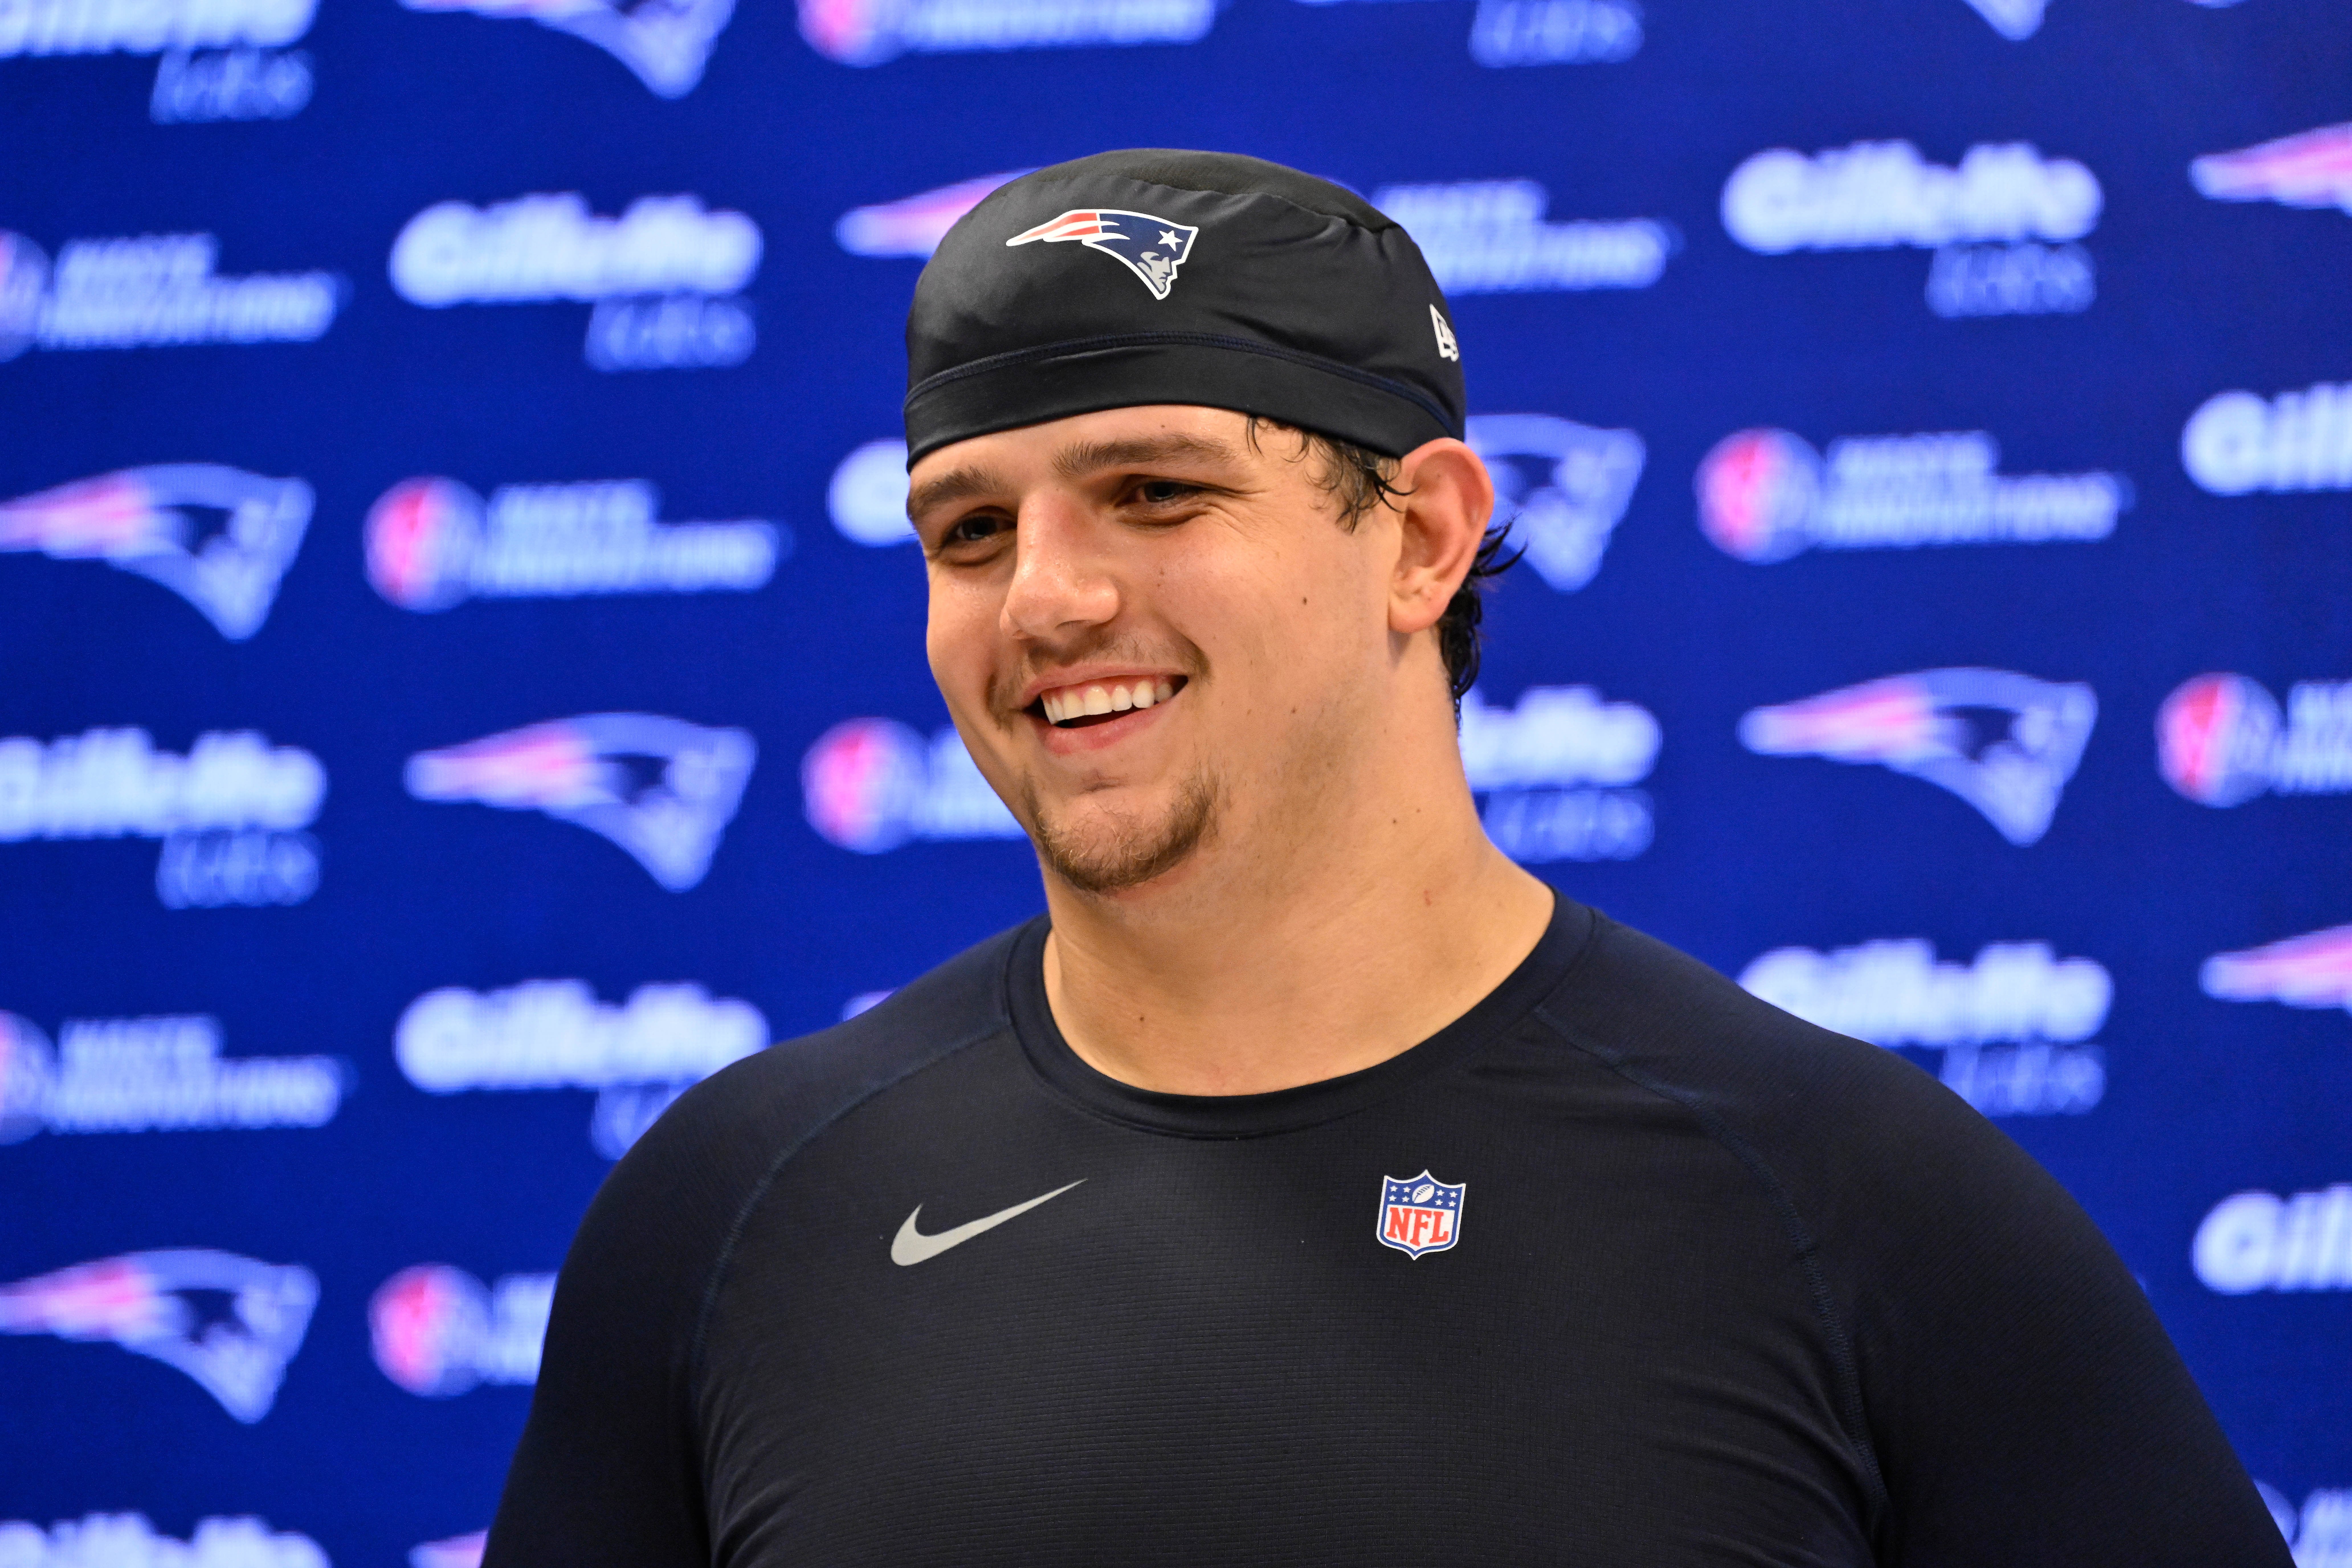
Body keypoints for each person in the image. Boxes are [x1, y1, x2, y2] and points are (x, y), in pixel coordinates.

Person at [484, 149, 2290, 1565]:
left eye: (1157, 492)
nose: (1044, 597)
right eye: (972, 530)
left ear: (1421, 535)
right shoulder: (732, 1209)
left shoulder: (1845, 1203)